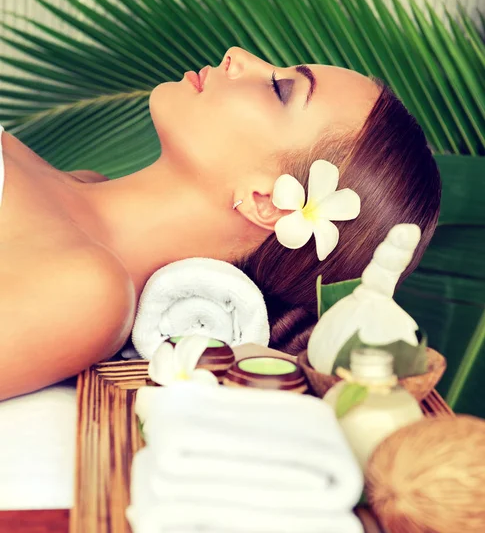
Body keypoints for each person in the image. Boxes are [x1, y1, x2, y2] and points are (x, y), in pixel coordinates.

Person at [0, 47, 441, 401]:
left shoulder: (87, 293)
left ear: (267, 202)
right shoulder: (72, 185)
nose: (237, 54)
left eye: (281, 88)